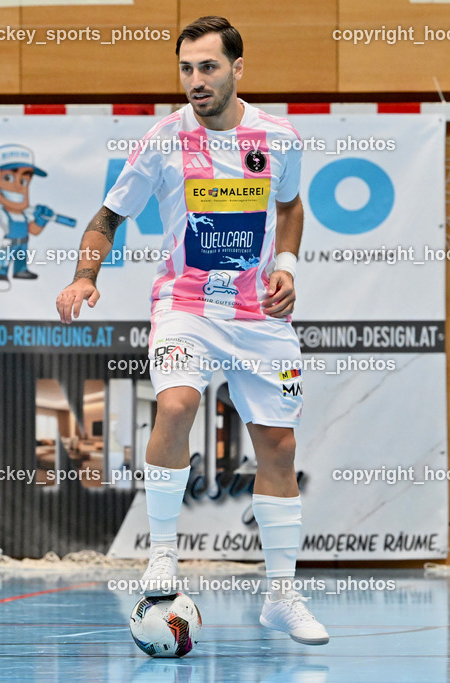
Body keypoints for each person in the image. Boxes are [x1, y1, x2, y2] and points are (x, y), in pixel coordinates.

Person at [54, 16, 328, 646]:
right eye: (185, 69)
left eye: (207, 67)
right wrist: (83, 276)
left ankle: (282, 596)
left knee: (280, 448)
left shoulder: (279, 138)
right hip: (186, 304)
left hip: (259, 314)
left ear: (237, 69)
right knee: (177, 403)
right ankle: (164, 555)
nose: (195, 81)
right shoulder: (161, 141)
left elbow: (288, 207)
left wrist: (285, 265)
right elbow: (107, 216)